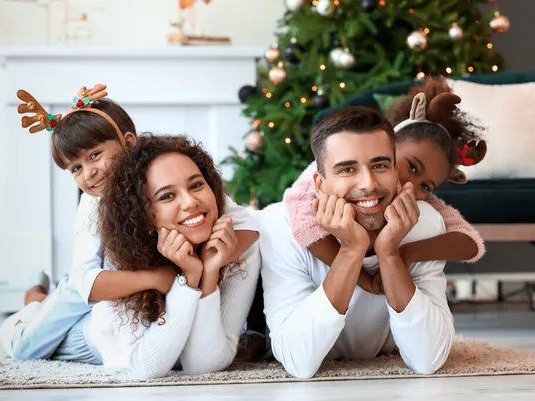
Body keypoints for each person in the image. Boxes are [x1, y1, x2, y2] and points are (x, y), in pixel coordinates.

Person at [259, 106, 457, 379]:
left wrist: (389, 254)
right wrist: (352, 250)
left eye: (379, 165)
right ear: (319, 185)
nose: (368, 183)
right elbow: (298, 361)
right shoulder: (281, 226)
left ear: (395, 171)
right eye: (347, 169)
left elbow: (428, 359)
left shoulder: (424, 224)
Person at [283, 78, 487, 294]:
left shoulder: (420, 202)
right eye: (412, 167)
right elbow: (305, 227)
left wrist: (407, 254)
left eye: (426, 186)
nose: (411, 185)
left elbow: (470, 244)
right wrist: (365, 281)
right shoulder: (327, 174)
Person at [88, 135, 261, 378]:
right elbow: (147, 367)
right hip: (94, 338)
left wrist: (208, 273)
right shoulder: (124, 252)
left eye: (196, 185)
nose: (190, 202)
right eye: (167, 196)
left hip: (169, 344)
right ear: (145, 215)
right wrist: (188, 279)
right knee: (23, 341)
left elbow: (203, 366)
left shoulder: (235, 245)